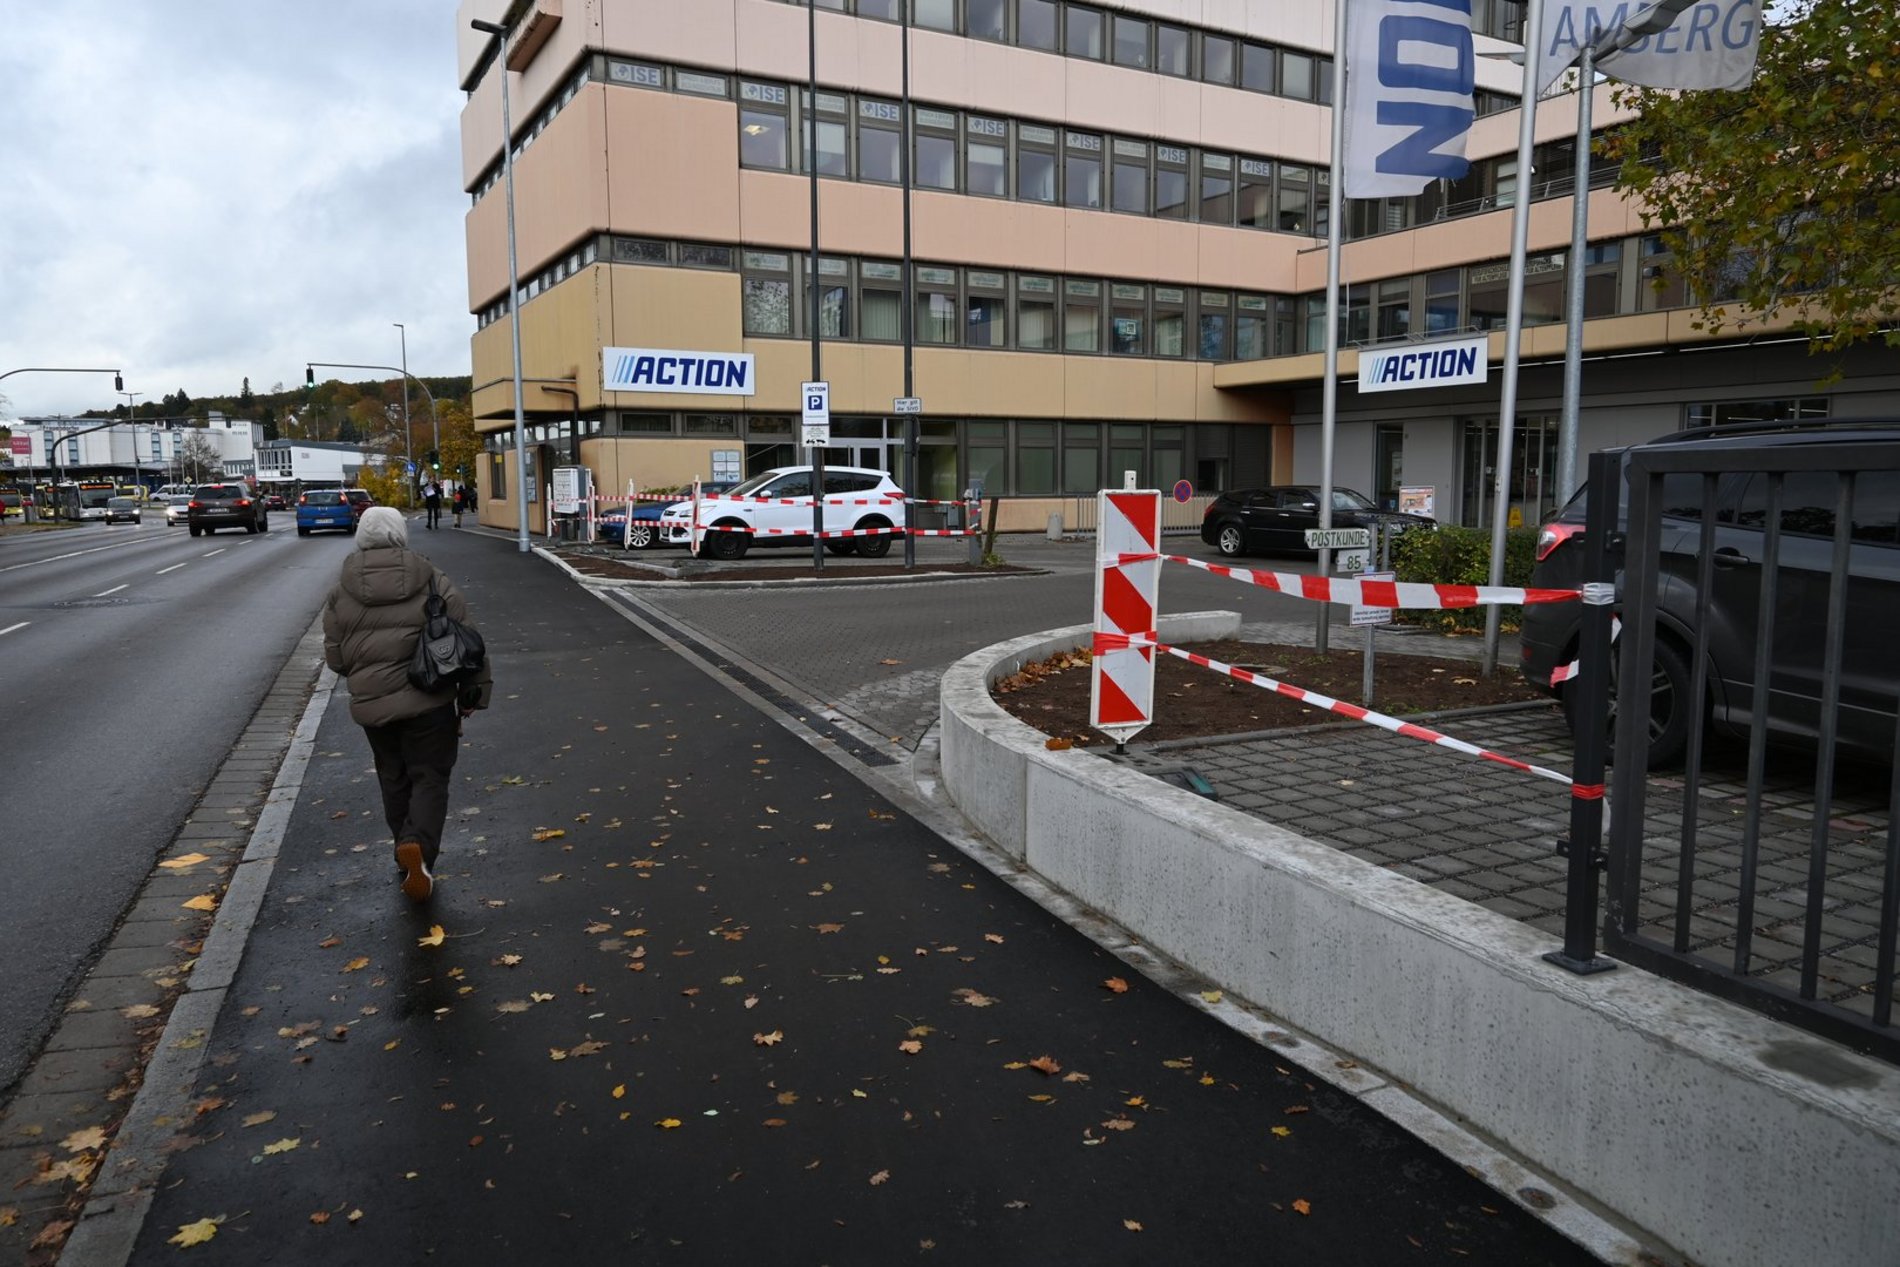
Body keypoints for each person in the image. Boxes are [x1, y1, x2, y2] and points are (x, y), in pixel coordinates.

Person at [322, 506, 491, 901]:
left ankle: (404, 851)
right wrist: (473, 693)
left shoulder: (340, 589)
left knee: (392, 777)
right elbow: (468, 638)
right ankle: (419, 850)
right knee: (430, 776)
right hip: (430, 700)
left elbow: (336, 659)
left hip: (372, 707)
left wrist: (369, 676)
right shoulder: (432, 578)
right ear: (401, 535)